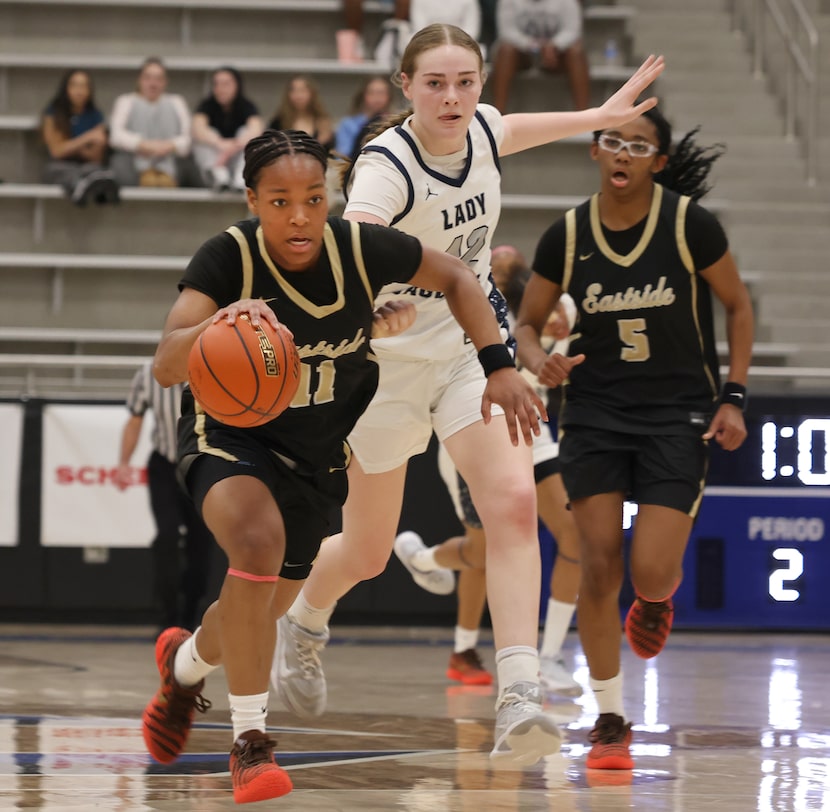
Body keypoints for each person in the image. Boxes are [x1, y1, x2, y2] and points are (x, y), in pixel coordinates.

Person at [272, 22, 664, 768]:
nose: (452, 97)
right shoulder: (388, 166)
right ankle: (307, 620)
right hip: (384, 362)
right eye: (435, 84)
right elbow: (346, 248)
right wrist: (359, 307)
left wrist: (600, 116)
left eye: (466, 82)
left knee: (514, 505)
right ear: (405, 88)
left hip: (466, 348)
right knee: (365, 550)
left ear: (481, 84)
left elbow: (513, 127)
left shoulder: (482, 128)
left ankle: (519, 691)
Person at [141, 128, 543, 805]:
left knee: (256, 604)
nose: (298, 216)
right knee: (257, 548)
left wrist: (497, 364)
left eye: (312, 199)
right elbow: (165, 362)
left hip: (313, 450)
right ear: (252, 200)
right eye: (279, 201)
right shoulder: (228, 256)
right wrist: (214, 330)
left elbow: (455, 276)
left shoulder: (359, 252)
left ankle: (183, 667)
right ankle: (250, 742)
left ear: (330, 198)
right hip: (231, 437)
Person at [514, 108, 754, 771]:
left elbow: (737, 304)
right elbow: (527, 324)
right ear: (596, 151)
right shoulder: (566, 235)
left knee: (649, 570)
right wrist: (538, 359)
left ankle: (654, 601)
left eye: (639, 145)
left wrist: (733, 395)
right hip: (594, 413)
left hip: (677, 413)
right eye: (614, 140)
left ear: (658, 161)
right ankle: (611, 720)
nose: (624, 152)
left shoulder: (688, 226)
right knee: (595, 563)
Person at [394, 245, 583, 697]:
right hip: (480, 426)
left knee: (573, 536)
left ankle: (549, 656)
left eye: (507, 262)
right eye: (491, 265)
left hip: (532, 427)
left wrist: (555, 327)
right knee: (482, 554)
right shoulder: (467, 306)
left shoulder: (558, 304)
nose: (499, 260)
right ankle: (422, 561)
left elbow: (565, 324)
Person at [114, 361, 215, 633]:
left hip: (201, 463)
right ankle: (168, 618)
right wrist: (123, 462)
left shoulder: (213, 365)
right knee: (167, 537)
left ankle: (191, 615)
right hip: (165, 466)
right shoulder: (148, 373)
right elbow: (135, 420)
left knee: (201, 544)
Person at [490, 0, 591, 113]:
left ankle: (583, 116)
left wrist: (554, 45)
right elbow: (507, 32)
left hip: (556, 55)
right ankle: (498, 115)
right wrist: (535, 45)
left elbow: (572, 31)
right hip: (523, 55)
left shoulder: (568, 2)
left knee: (576, 51)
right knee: (505, 50)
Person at [109, 57, 196, 187]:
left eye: (158, 79)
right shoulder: (126, 101)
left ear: (165, 82)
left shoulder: (177, 102)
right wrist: (143, 145)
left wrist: (169, 146)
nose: (153, 83)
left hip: (170, 159)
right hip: (134, 161)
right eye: (148, 78)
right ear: (139, 80)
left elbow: (188, 138)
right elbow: (116, 136)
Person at [40, 68, 119, 206]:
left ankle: (92, 187)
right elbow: (57, 151)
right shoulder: (53, 113)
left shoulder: (95, 115)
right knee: (60, 171)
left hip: (86, 167)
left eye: (83, 86)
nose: (79, 91)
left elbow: (96, 157)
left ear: (90, 90)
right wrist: (87, 138)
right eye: (75, 85)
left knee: (95, 170)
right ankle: (80, 186)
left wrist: (70, 146)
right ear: (66, 88)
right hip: (60, 167)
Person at [191, 66, 263, 191]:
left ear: (237, 85)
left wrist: (232, 147)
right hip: (215, 161)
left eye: (226, 84)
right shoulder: (206, 106)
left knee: (246, 134)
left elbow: (256, 129)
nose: (220, 89)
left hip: (235, 159)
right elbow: (197, 129)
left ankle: (240, 179)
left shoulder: (246, 106)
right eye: (216, 84)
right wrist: (220, 143)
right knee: (203, 139)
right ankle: (218, 178)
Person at [335, 75, 396, 163]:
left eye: (381, 93)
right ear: (364, 95)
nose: (377, 98)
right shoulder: (348, 124)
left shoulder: (396, 123)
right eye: (372, 93)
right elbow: (342, 157)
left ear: (389, 96)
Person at [268, 75, 334, 152]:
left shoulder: (323, 122)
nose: (298, 96)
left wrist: (323, 141)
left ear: (312, 94)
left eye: (303, 91)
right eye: (294, 91)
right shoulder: (278, 122)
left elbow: (331, 154)